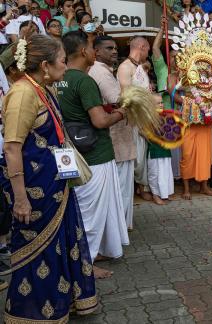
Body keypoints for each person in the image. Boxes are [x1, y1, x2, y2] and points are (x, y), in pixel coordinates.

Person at [0, 34, 97, 322]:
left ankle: (63, 302)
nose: (67, 68)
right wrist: (20, 199)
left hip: (55, 185)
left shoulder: (43, 89)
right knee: (38, 253)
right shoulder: (22, 94)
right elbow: (12, 147)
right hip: (33, 191)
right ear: (45, 65)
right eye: (63, 62)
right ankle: (31, 314)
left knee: (61, 244)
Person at [59, 30, 129, 278]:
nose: (94, 50)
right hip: (94, 155)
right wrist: (123, 112)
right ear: (82, 51)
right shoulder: (83, 80)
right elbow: (99, 121)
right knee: (90, 214)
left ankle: (91, 253)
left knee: (81, 209)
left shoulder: (57, 78)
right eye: (91, 46)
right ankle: (84, 265)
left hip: (71, 153)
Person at [88, 35, 137, 228]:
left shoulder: (104, 70)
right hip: (116, 138)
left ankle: (118, 228)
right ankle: (119, 229)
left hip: (116, 137)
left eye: (115, 48)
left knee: (120, 187)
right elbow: (118, 100)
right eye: (109, 48)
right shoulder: (101, 72)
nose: (114, 51)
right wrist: (138, 96)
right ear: (96, 51)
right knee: (121, 188)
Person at [117, 36, 153, 201]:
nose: (149, 53)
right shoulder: (125, 67)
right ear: (141, 46)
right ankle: (130, 190)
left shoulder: (139, 67)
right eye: (148, 49)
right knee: (135, 156)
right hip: (132, 120)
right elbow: (126, 96)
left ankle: (140, 187)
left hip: (144, 118)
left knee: (142, 156)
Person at [149, 21, 175, 205]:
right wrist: (162, 29)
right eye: (173, 57)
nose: (176, 60)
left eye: (179, 57)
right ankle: (155, 191)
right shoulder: (162, 69)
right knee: (156, 156)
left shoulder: (187, 74)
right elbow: (155, 47)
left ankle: (167, 189)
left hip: (178, 118)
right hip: (159, 115)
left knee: (168, 158)